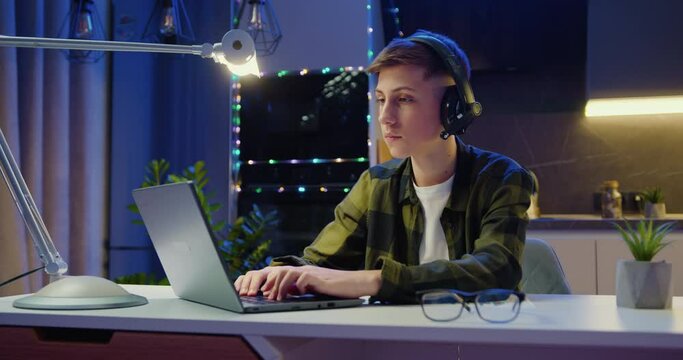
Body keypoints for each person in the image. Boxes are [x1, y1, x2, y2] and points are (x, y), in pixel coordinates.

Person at [234, 29, 533, 304]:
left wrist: (372, 281)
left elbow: (496, 269)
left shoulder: (502, 178)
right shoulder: (376, 184)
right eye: (380, 100)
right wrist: (276, 274)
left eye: (404, 99)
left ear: (453, 108)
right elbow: (316, 262)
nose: (385, 117)